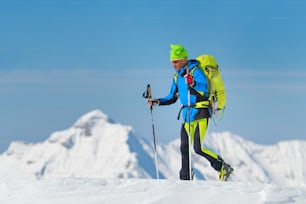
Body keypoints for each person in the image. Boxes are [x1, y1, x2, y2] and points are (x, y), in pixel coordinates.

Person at [148, 44, 233, 181]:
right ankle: (185, 177)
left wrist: (193, 83)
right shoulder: (177, 77)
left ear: (183, 60)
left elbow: (204, 89)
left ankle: (223, 167)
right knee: (184, 147)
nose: (173, 64)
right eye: (172, 62)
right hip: (187, 115)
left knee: (198, 148)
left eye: (175, 61)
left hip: (201, 112)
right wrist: (156, 101)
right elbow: (171, 97)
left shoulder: (195, 71)